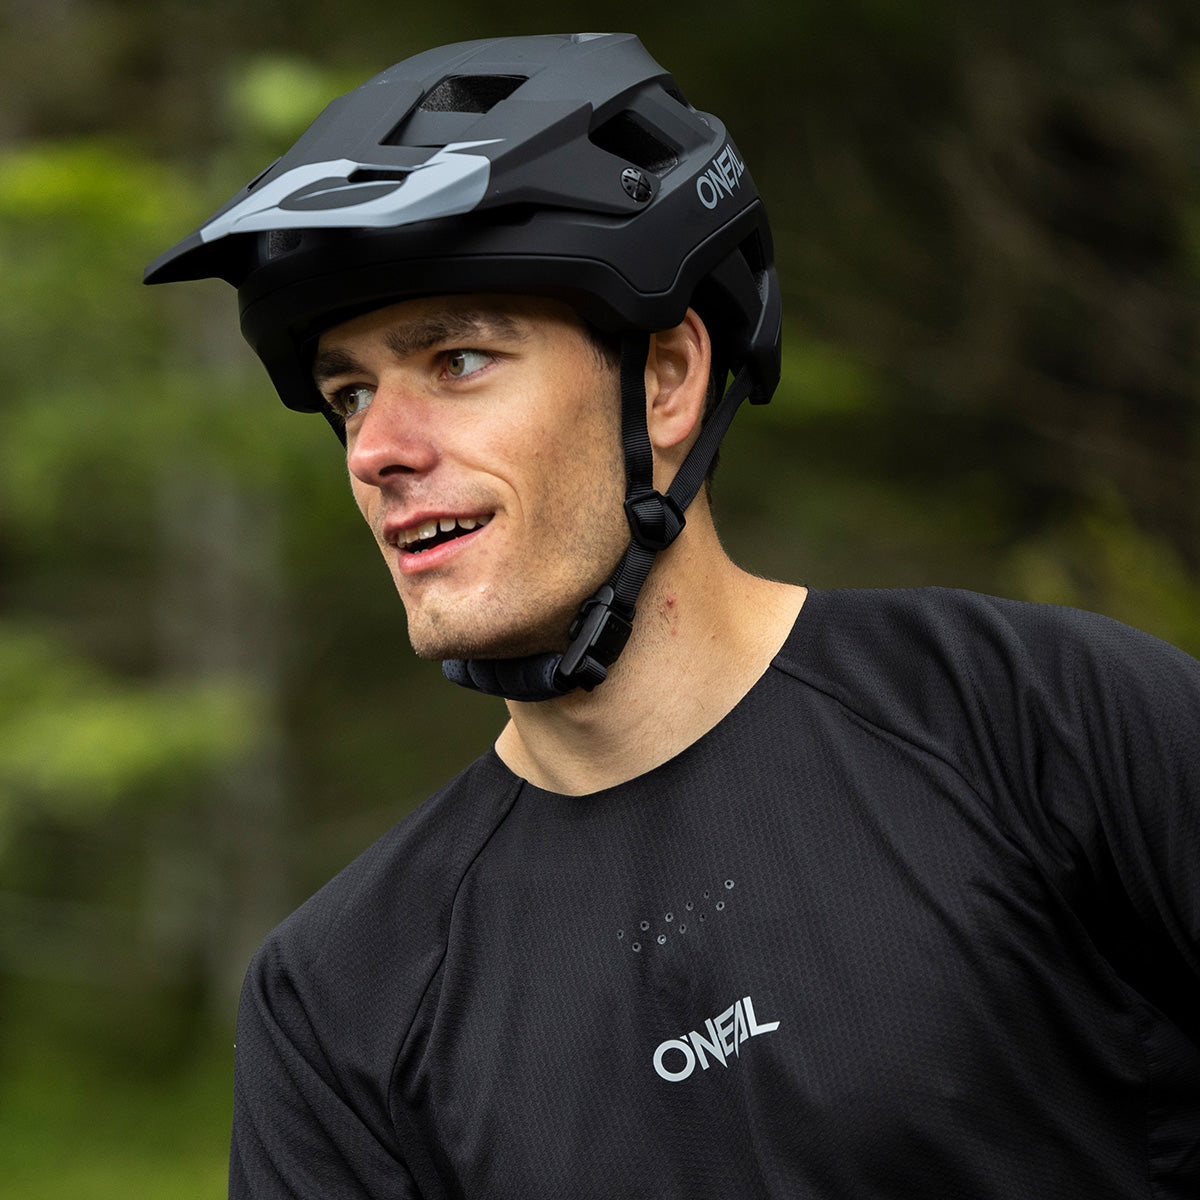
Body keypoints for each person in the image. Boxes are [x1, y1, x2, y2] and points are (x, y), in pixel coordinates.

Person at [146, 32, 1199, 1200]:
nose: (379, 451)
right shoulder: (340, 995)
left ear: (666, 378)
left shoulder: (1043, 719)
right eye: (350, 395)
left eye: (455, 360)